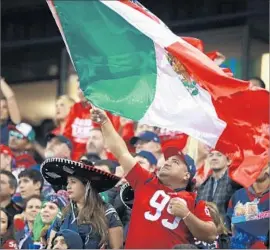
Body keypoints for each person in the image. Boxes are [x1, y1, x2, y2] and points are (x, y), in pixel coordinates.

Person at [91, 108, 217, 249]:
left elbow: (211, 235)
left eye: (175, 162)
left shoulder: (195, 202)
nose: (167, 162)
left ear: (186, 175)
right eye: (168, 160)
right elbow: (121, 152)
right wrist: (105, 122)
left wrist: (187, 215)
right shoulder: (146, 180)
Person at [41, 158, 124, 249]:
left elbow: (117, 247)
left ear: (87, 185)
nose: (68, 186)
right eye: (67, 182)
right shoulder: (63, 214)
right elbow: (51, 246)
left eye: (73, 182)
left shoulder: (107, 211)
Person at [226, 164, 269, 249]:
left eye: (263, 164)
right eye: (254, 163)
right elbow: (227, 227)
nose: (258, 167)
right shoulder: (237, 195)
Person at [197, 150, 241, 219]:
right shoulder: (203, 186)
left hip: (228, 227)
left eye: (219, 155)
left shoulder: (236, 181)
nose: (214, 158)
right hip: (206, 227)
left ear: (228, 161)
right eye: (211, 155)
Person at [0, 78, 21, 145]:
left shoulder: (12, 124)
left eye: (4, 107)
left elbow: (10, 98)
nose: (0, 110)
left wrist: (0, 81)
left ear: (9, 111)